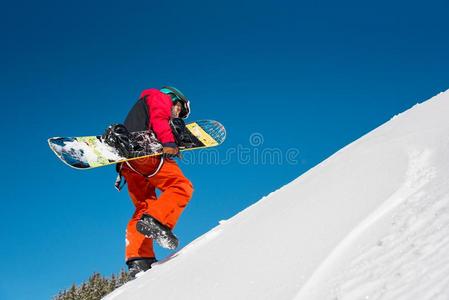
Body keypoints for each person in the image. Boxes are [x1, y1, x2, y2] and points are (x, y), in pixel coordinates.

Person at [115, 86, 194, 278]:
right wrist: (169, 142)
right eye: (179, 111)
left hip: (128, 164)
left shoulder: (142, 105)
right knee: (181, 187)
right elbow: (159, 118)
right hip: (147, 153)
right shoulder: (159, 97)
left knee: (144, 206)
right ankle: (158, 221)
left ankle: (139, 258)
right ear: (175, 100)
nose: (177, 116)